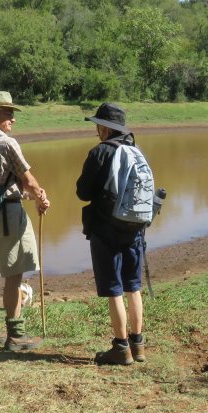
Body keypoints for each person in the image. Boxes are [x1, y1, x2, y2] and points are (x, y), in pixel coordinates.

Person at [0, 91, 50, 352]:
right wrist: (40, 197)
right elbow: (28, 179)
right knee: (14, 276)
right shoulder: (6, 143)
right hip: (7, 217)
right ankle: (16, 336)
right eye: (7, 112)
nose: (13, 118)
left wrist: (26, 194)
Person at [76, 102, 147, 366]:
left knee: (114, 288)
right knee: (133, 286)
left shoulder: (100, 153)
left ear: (106, 128)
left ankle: (120, 348)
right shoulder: (136, 150)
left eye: (98, 125)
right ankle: (138, 344)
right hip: (135, 228)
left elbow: (83, 192)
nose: (96, 130)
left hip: (106, 229)